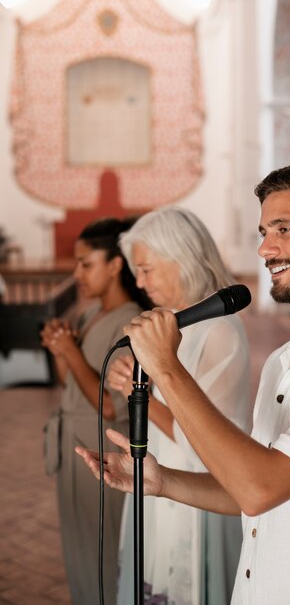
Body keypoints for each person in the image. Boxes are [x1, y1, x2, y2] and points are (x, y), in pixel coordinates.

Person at [77, 160, 290, 605]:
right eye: (263, 232)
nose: (264, 249)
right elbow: (251, 488)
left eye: (283, 229)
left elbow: (261, 488)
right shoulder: (282, 360)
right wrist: (163, 482)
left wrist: (166, 368)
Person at [107, 205, 252, 605]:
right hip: (159, 478)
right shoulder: (166, 321)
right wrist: (135, 380)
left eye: (147, 269)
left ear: (182, 258)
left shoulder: (219, 332)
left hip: (198, 494)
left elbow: (202, 441)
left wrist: (139, 396)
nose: (139, 281)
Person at [41, 217, 150, 605]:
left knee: (101, 551)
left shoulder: (132, 324)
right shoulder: (89, 316)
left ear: (116, 265)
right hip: (74, 443)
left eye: (86, 264)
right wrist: (61, 351)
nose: (77, 273)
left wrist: (71, 351)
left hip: (100, 450)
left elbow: (109, 405)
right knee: (78, 548)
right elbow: (68, 382)